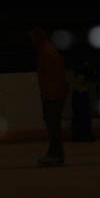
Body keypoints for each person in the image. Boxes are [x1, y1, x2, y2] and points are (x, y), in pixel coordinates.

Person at [29, 27, 69, 166]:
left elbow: (54, 77)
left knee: (53, 127)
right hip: (53, 95)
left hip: (53, 96)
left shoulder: (47, 53)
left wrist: (50, 96)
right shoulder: (47, 52)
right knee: (53, 126)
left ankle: (56, 154)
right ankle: (54, 152)